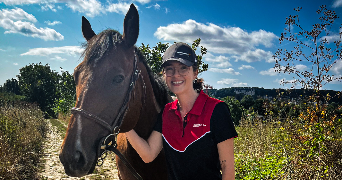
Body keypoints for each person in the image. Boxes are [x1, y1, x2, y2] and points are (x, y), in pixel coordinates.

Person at [125, 42, 238, 180]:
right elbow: (148, 155)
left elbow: (228, 168)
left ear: (195, 72)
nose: (176, 74)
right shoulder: (166, 112)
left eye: (183, 68)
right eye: (170, 69)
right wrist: (125, 126)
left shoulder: (217, 110)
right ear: (164, 74)